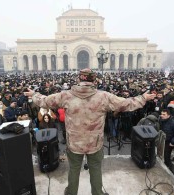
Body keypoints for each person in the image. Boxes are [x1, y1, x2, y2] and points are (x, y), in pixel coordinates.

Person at [24, 68, 156, 195]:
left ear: (78, 79)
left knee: (74, 170)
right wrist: (143, 98)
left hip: (74, 144)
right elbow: (125, 104)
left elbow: (45, 101)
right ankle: (97, 193)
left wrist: (34, 94)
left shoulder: (65, 95)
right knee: (96, 170)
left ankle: (71, 193)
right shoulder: (103, 96)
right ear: (94, 80)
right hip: (95, 144)